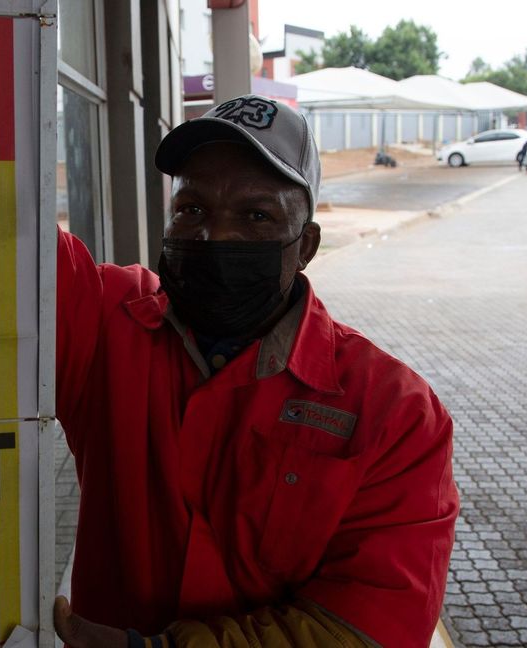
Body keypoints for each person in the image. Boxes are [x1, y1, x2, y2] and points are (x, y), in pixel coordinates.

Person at [52, 95, 459, 648]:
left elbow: (372, 622)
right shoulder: (107, 321)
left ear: (306, 246)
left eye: (256, 216)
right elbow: (7, 233)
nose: (216, 236)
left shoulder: (394, 410)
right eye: (192, 209)